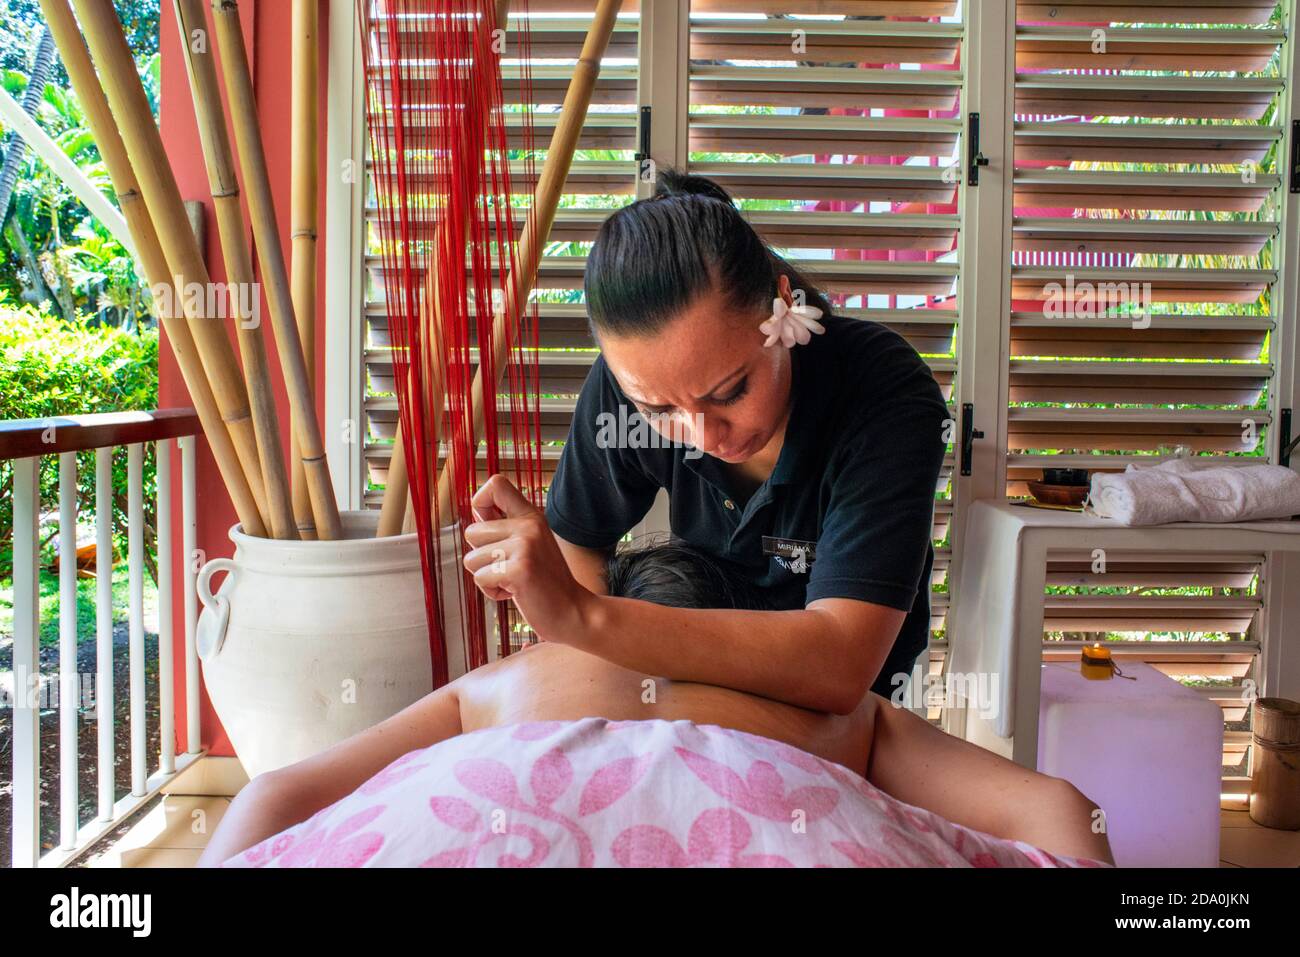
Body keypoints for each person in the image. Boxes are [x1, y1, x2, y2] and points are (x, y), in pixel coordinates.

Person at [196, 540, 1112, 867]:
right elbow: (1057, 808)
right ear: (743, 625)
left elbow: (270, 796)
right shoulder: (831, 706)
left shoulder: (509, 682)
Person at [457, 168, 950, 714]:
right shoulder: (627, 386)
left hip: (849, 723)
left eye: (732, 391)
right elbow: (578, 542)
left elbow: (838, 664)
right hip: (677, 699)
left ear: (781, 302)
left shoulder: (879, 389)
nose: (704, 436)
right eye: (659, 410)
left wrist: (582, 618)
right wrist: (621, 688)